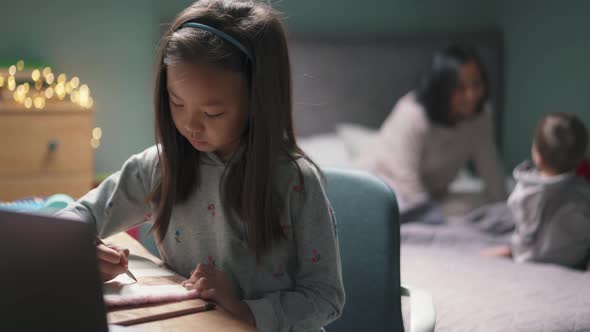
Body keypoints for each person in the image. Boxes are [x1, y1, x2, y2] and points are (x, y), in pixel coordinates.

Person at [57, 1, 344, 330]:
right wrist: (82, 249)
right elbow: (75, 219)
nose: (190, 125)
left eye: (212, 113)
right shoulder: (162, 165)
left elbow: (325, 297)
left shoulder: (294, 183)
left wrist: (245, 310)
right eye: (176, 102)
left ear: (258, 101)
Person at [356, 45, 507, 221]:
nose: (471, 95)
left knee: (478, 208)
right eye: (460, 88)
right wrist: (433, 219)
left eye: (476, 84)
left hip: (431, 195)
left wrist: (506, 209)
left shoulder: (480, 118)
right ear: (444, 89)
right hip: (385, 186)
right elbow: (406, 178)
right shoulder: (412, 114)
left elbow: (490, 167)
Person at [482, 113, 590, 269]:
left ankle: (511, 252)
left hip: (528, 255)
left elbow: (522, 226)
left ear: (537, 155)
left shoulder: (522, 191)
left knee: (520, 238)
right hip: (572, 259)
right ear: (580, 158)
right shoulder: (583, 193)